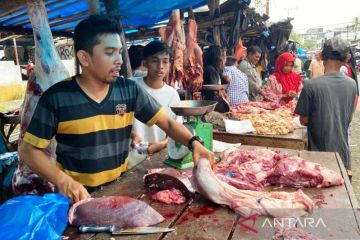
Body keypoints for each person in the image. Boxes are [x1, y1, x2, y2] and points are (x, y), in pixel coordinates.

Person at [15, 15, 214, 203]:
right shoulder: (57, 97)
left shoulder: (128, 90)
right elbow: (28, 151)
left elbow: (168, 124)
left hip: (119, 189)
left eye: (119, 51)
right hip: (77, 198)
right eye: (110, 53)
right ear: (84, 58)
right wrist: (63, 180)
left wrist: (194, 142)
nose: (119, 59)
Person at [295, 37, 357, 171]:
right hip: (342, 154)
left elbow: (304, 120)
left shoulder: (311, 85)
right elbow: (349, 117)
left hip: (318, 156)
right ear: (346, 59)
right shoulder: (352, 85)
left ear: (322, 56)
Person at [130, 40, 181, 166]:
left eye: (165, 61)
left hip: (158, 161)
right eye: (154, 61)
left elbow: (176, 129)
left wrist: (163, 143)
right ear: (145, 62)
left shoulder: (172, 95)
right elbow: (116, 120)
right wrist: (131, 134)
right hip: (129, 159)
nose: (160, 66)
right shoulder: (131, 86)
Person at [202, 45, 230, 112]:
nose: (225, 59)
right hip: (211, 106)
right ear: (217, 57)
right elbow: (215, 88)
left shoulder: (215, 69)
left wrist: (225, 80)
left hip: (214, 105)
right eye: (223, 56)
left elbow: (219, 84)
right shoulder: (209, 69)